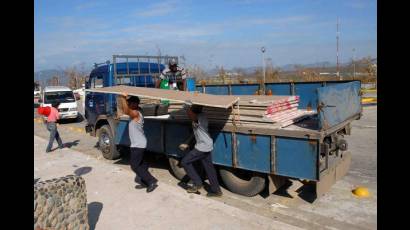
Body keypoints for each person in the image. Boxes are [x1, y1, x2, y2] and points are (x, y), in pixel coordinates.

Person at [180, 101, 223, 197]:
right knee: (209, 169)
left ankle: (197, 182)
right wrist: (187, 142)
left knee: (185, 162)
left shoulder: (198, 118)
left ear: (193, 111)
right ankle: (217, 191)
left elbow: (192, 116)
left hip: (202, 147)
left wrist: (186, 107)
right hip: (207, 145)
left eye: (190, 109)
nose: (188, 112)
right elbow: (195, 131)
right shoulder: (201, 115)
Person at [119, 92, 158, 193]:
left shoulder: (136, 114)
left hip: (138, 144)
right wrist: (124, 99)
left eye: (130, 103)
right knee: (142, 163)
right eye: (128, 103)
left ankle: (151, 181)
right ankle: (145, 182)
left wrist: (123, 97)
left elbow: (126, 110)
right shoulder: (137, 111)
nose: (128, 104)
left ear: (135, 104)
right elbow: (126, 109)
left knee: (134, 165)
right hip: (138, 142)